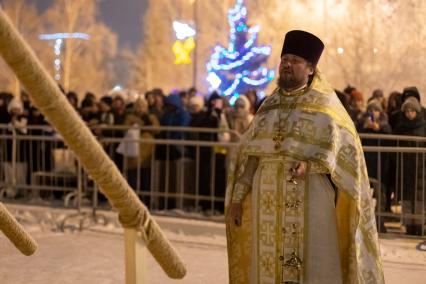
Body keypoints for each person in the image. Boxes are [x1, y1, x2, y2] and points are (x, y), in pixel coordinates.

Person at [225, 30, 384, 283]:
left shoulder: (326, 105)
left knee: (314, 269)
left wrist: (311, 165)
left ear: (310, 68)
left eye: (295, 60)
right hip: (266, 203)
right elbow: (251, 156)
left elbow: (344, 152)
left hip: (311, 200)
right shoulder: (268, 106)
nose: (287, 64)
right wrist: (237, 198)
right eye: (284, 59)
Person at [393, 97, 425, 236]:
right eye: (407, 111)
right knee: (406, 199)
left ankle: (418, 226)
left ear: (417, 111)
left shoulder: (423, 126)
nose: (409, 114)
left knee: (419, 200)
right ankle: (408, 225)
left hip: (421, 168)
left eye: (412, 111)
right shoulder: (400, 127)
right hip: (405, 168)